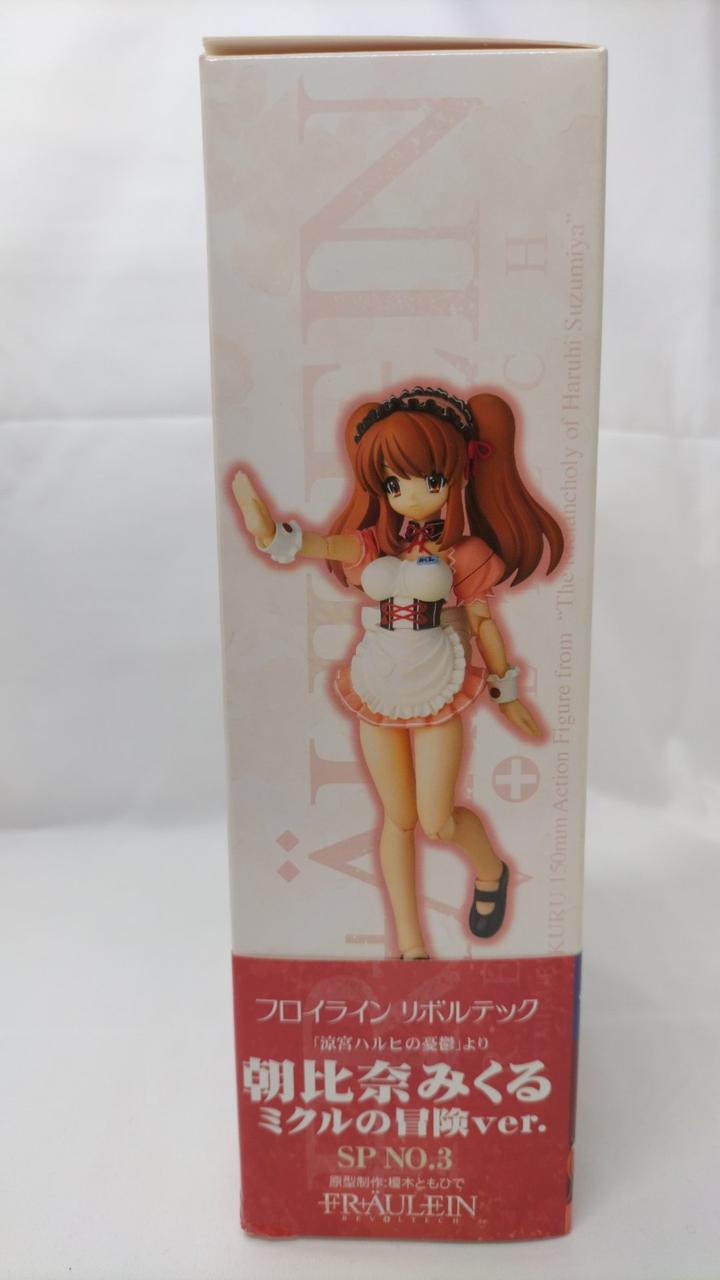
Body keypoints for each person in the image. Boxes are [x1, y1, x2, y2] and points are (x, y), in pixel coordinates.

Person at [231, 386, 564, 959]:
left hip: (439, 682)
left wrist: (507, 691)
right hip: (379, 680)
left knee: (437, 821)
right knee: (398, 818)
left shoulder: (467, 554)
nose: (410, 496)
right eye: (393, 484)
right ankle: (411, 945)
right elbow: (316, 544)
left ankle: (491, 870)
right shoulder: (370, 545)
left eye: (428, 480)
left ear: (457, 476)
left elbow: (484, 623)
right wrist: (269, 532)